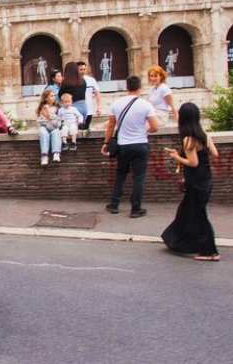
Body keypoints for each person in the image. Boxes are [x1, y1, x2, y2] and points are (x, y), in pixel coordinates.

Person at [162, 103, 220, 261]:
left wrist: (176, 157)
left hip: (196, 182)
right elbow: (215, 154)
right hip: (206, 179)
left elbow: (193, 163)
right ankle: (182, 242)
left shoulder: (188, 139)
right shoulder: (203, 134)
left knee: (198, 215)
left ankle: (210, 252)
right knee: (187, 212)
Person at [101, 76, 159, 218]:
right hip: (140, 145)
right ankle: (135, 209)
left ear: (126, 87)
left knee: (120, 175)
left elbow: (110, 126)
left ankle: (114, 205)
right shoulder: (146, 105)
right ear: (140, 87)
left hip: (123, 146)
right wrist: (144, 130)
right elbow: (155, 127)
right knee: (138, 178)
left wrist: (106, 143)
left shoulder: (116, 104)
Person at [36, 90, 62, 165]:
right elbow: (41, 120)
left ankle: (56, 153)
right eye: (51, 96)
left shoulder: (57, 108)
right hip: (44, 126)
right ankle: (44, 155)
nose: (54, 97)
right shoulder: (42, 108)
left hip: (54, 126)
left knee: (56, 132)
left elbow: (58, 121)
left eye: (54, 95)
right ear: (46, 98)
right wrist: (50, 118)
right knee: (43, 133)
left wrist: (50, 116)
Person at [77, 61, 101, 130]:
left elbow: (97, 93)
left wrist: (99, 107)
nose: (83, 71)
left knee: (86, 128)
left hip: (89, 109)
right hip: (77, 110)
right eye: (81, 69)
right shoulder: (73, 81)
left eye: (84, 69)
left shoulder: (91, 80)